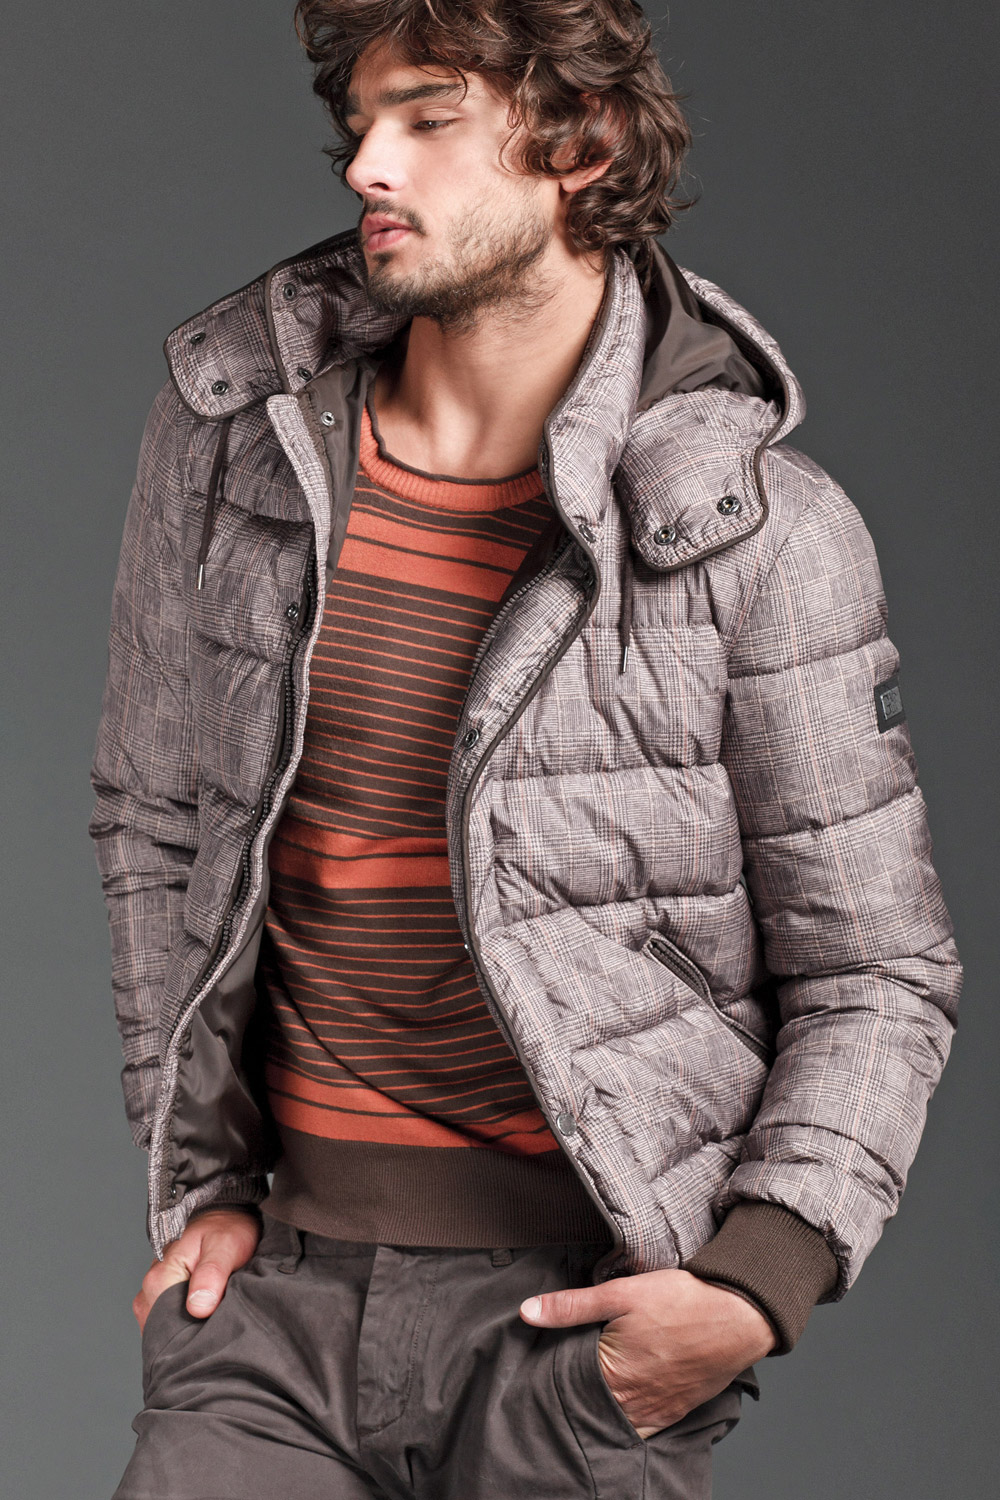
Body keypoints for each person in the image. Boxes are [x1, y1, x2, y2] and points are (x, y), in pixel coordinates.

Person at [89, 2, 962, 1496]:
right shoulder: (233, 446)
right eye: (359, 123)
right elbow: (155, 826)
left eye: (427, 119)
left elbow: (878, 968)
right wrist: (200, 1186)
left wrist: (757, 1282)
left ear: (581, 144)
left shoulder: (758, 531)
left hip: (579, 1326)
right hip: (275, 1311)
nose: (365, 165)